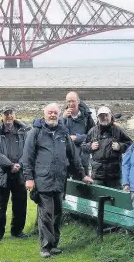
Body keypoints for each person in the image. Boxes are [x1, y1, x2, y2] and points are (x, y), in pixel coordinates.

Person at [21, 103, 94, 258]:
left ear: (58, 114)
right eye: (50, 112)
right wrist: (29, 178)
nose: (52, 115)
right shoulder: (36, 132)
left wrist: (82, 175)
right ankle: (45, 247)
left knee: (58, 213)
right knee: (46, 213)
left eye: (55, 112)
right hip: (43, 180)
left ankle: (54, 244)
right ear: (44, 113)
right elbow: (27, 158)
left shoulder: (63, 132)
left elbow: (73, 157)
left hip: (60, 180)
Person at [0, 106, 30, 242]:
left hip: (19, 173)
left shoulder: (23, 130)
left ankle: (17, 230)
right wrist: (10, 165)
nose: (9, 116)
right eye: (6, 114)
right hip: (1, 172)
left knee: (20, 204)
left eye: (11, 114)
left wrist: (19, 165)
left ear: (15, 115)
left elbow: (28, 150)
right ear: (1, 116)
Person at [81, 106, 133, 189]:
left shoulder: (118, 130)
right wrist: (90, 146)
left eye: (106, 115)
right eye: (101, 116)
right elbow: (83, 147)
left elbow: (131, 145)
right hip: (97, 176)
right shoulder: (92, 131)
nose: (104, 118)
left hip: (114, 176)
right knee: (99, 201)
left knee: (115, 200)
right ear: (98, 117)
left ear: (110, 116)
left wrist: (120, 146)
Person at [61, 91, 96, 176]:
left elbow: (93, 136)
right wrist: (62, 119)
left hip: (82, 157)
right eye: (68, 101)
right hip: (66, 158)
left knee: (83, 185)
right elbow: (56, 134)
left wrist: (78, 138)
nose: (71, 103)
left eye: (73, 101)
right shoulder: (63, 117)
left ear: (78, 101)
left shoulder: (87, 117)